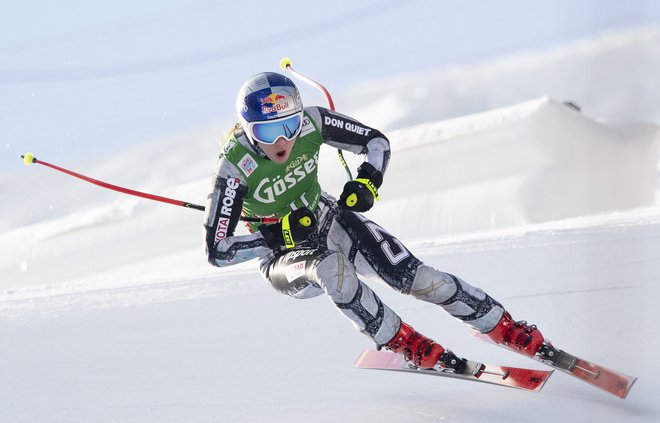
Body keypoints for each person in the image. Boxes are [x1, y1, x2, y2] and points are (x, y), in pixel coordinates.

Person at [204, 72, 545, 370]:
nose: (282, 141)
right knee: (332, 271)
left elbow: (375, 141)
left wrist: (367, 181)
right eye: (267, 131)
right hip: (283, 258)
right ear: (249, 130)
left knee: (415, 276)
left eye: (289, 125)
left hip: (328, 218)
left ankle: (500, 324)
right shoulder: (234, 167)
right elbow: (219, 251)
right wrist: (278, 234)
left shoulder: (313, 122)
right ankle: (404, 342)